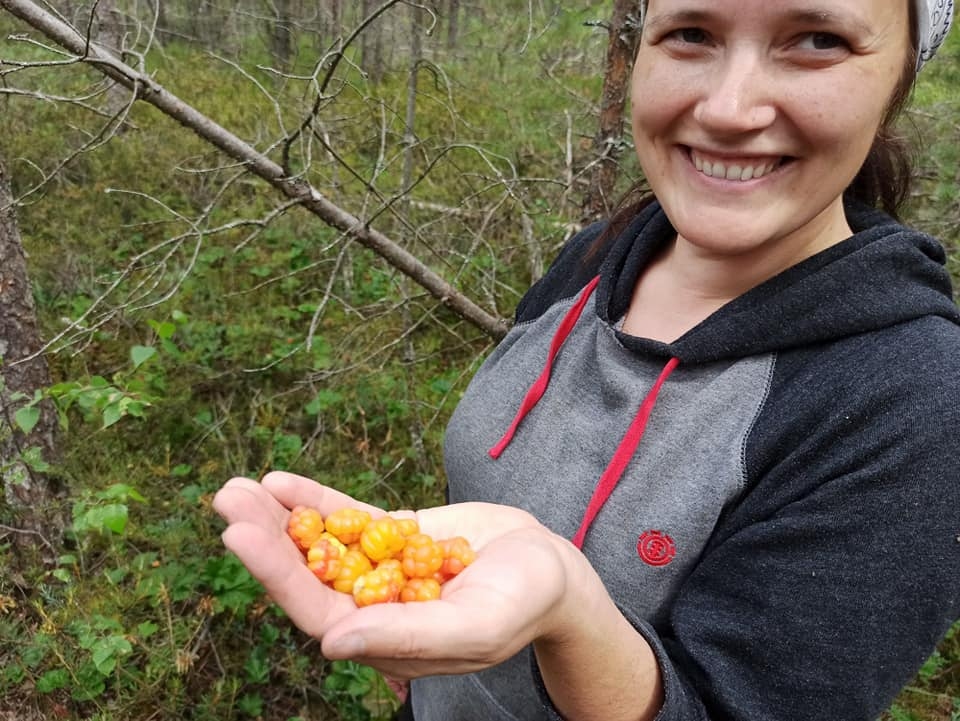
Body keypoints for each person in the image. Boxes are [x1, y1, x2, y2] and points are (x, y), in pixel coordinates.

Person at [212, 1, 960, 719]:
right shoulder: (595, 261)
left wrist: (572, 614)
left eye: (819, 40)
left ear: (898, 79)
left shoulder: (916, 401)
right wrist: (421, 617)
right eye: (691, 32)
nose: (730, 109)